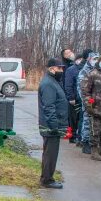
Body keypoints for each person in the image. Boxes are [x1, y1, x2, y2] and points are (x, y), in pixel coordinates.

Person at [38, 58, 69, 188]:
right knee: (50, 154)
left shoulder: (54, 81)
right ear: (51, 69)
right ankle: (47, 180)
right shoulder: (48, 84)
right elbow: (49, 106)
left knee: (51, 153)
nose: (61, 70)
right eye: (59, 68)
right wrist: (54, 125)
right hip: (50, 126)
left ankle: (47, 177)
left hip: (53, 124)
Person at [76, 51, 99, 154]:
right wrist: (88, 102)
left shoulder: (98, 71)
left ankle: (93, 143)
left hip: (98, 104)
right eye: (94, 59)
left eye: (98, 59)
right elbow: (82, 90)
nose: (96, 61)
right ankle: (85, 143)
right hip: (88, 103)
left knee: (95, 125)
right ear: (89, 59)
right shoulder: (84, 72)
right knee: (87, 123)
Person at [64, 50, 87, 146]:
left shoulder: (83, 69)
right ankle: (72, 136)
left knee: (79, 119)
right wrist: (71, 97)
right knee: (73, 119)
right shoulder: (71, 70)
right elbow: (68, 85)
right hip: (74, 98)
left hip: (80, 98)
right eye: (79, 59)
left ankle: (78, 136)